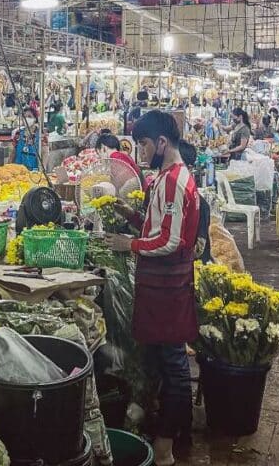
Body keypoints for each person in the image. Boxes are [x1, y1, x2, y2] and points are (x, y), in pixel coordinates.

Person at [106, 111, 198, 464]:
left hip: (169, 290)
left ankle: (166, 447)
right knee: (164, 362)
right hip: (159, 287)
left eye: (143, 144)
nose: (140, 152)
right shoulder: (163, 177)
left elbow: (171, 240)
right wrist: (131, 215)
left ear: (161, 143)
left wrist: (127, 244)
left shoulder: (175, 180)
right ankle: (173, 435)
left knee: (174, 367)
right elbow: (155, 226)